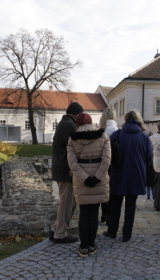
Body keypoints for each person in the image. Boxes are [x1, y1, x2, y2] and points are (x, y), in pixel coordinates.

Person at [103, 110, 153, 242]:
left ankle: (112, 231)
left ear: (125, 120)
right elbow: (149, 158)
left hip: (118, 173)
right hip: (136, 174)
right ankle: (127, 234)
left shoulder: (117, 134)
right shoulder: (144, 137)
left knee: (115, 204)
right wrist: (142, 168)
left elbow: (107, 155)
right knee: (131, 205)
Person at [67, 113, 111, 257]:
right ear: (91, 122)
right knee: (94, 213)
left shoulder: (72, 139)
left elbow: (72, 164)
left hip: (81, 180)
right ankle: (91, 244)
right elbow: (107, 161)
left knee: (84, 213)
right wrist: (97, 177)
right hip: (99, 179)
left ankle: (83, 246)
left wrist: (85, 178)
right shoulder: (103, 136)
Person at [49, 102, 84, 243]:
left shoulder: (65, 123)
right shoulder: (69, 125)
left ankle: (57, 228)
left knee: (70, 200)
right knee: (67, 201)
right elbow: (78, 145)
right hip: (65, 169)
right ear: (77, 115)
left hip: (62, 167)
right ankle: (60, 233)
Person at [98, 107, 118, 224]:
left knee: (102, 190)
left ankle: (104, 214)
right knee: (111, 191)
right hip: (114, 165)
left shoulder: (101, 130)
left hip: (101, 164)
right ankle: (110, 214)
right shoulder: (116, 130)